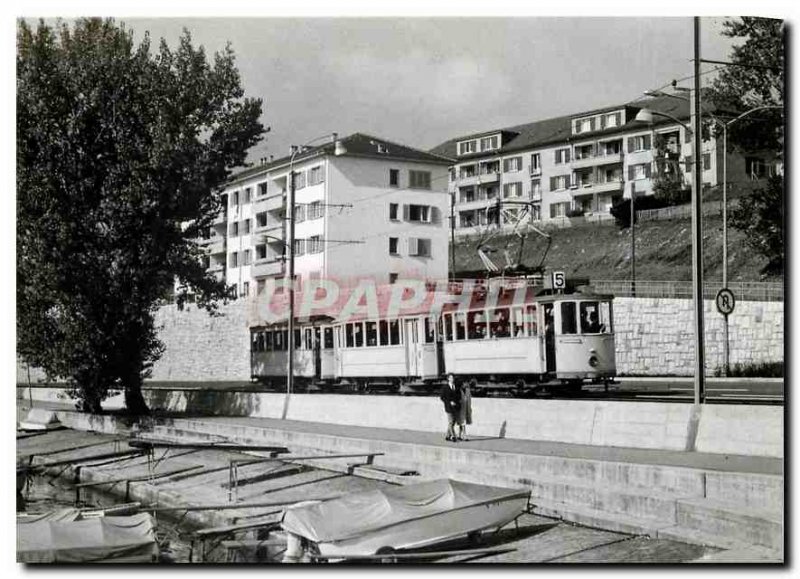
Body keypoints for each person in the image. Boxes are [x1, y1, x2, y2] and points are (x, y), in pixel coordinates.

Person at [439, 373, 461, 442]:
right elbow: (442, 397)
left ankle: (447, 436)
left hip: (455, 407)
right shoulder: (445, 387)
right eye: (451, 378)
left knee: (452, 422)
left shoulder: (456, 386)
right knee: (451, 421)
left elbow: (459, 396)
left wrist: (457, 402)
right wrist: (449, 402)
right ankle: (453, 436)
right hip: (448, 407)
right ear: (448, 378)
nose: (452, 379)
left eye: (453, 378)